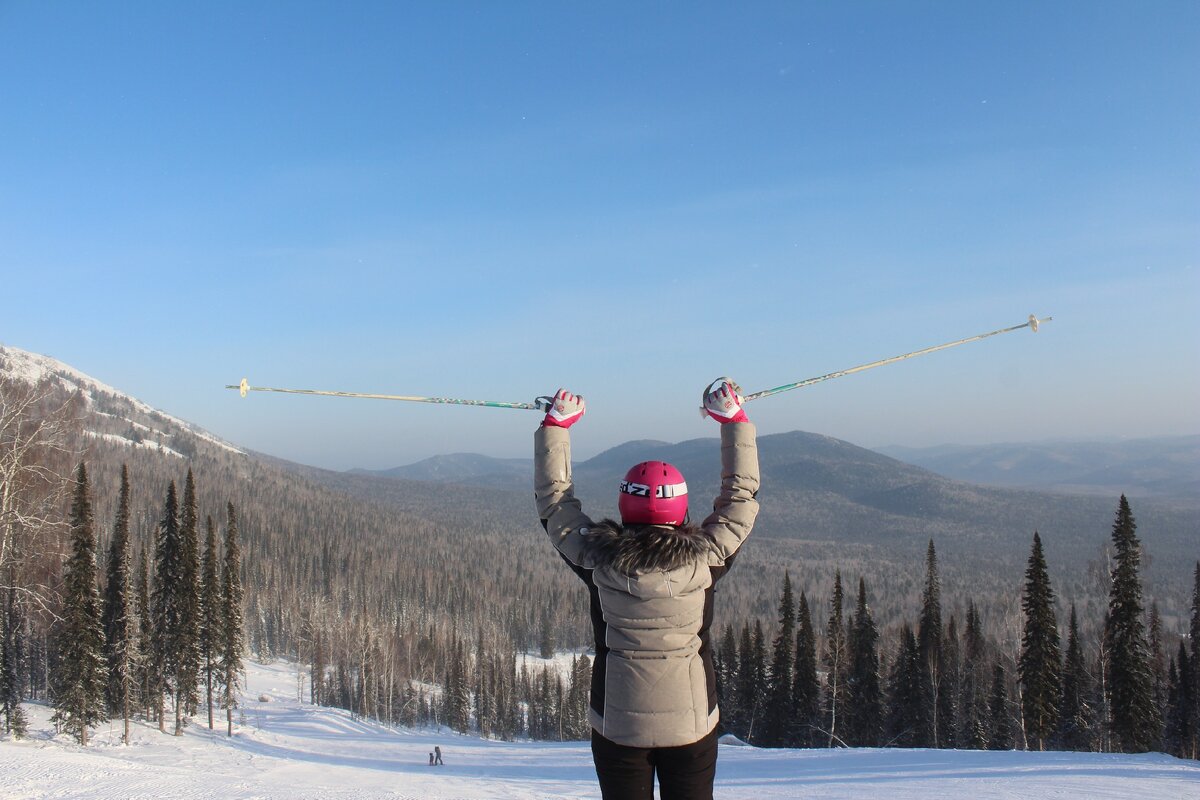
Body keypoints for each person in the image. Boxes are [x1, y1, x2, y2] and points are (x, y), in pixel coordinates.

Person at [534, 379, 759, 800]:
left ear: (624, 505)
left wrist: (557, 427)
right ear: (682, 507)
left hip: (617, 725)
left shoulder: (598, 560)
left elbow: (554, 505)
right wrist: (734, 420)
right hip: (692, 724)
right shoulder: (706, 559)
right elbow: (740, 497)